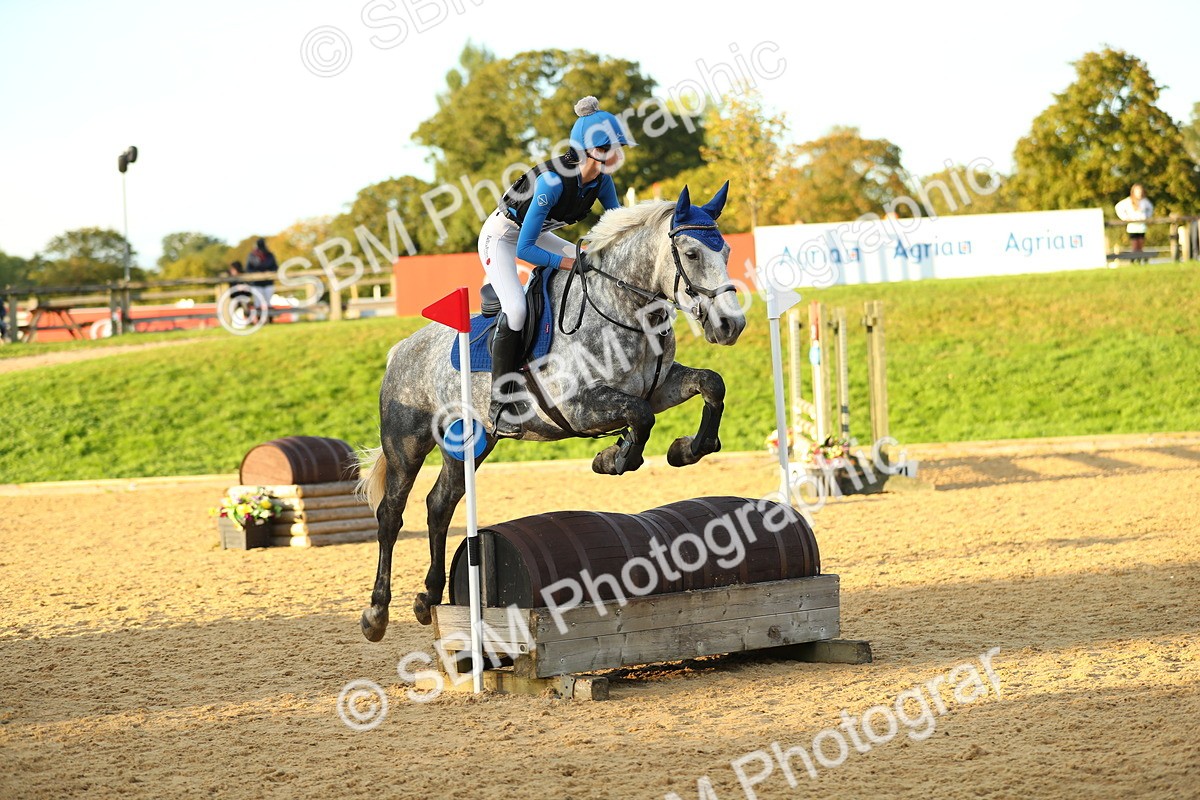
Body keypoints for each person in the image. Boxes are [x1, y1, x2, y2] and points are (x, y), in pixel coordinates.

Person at [478, 95, 633, 437]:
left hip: (539, 234)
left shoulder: (602, 181)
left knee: (593, 263)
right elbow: (525, 249)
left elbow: (618, 228)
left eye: (617, 147)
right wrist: (568, 261)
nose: (615, 155)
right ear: (585, 151)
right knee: (516, 309)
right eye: (607, 148)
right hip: (502, 238)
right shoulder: (551, 182)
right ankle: (499, 404)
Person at [1115, 184, 1154, 264]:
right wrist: (1125, 218)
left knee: (1140, 244)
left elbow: (1150, 208)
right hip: (1133, 227)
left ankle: (1139, 260)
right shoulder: (1128, 201)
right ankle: (1133, 260)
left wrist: (1147, 217)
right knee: (1135, 244)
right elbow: (1118, 207)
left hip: (1141, 227)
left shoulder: (1144, 201)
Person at [244, 238, 277, 318]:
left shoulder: (269, 255)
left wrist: (268, 272)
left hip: (268, 282)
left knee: (268, 302)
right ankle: (259, 319)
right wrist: (256, 273)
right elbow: (248, 269)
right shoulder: (252, 255)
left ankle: (269, 318)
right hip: (256, 283)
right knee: (258, 302)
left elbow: (275, 267)